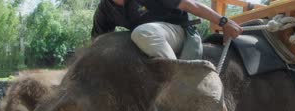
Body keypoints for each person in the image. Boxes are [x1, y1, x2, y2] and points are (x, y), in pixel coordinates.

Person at [91, 0, 243, 60]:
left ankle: (175, 80)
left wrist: (224, 22)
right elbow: (98, 43)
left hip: (178, 31)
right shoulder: (105, 8)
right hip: (150, 39)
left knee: (142, 32)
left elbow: (189, 4)